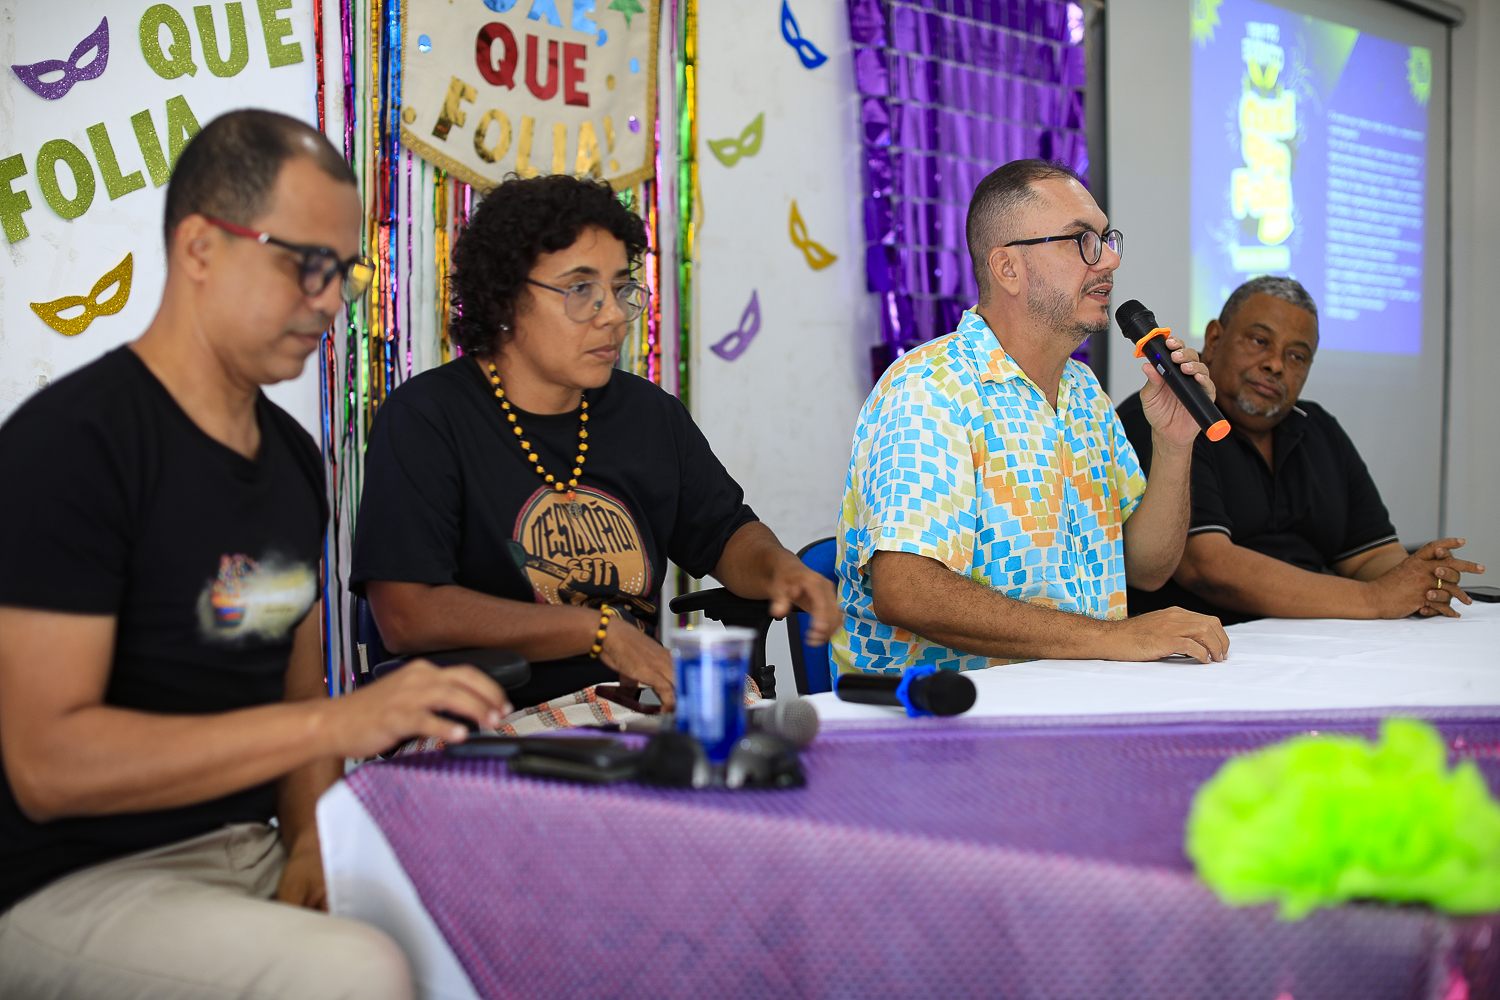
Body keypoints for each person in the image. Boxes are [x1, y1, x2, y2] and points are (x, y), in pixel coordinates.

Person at [0, 110, 512, 1000]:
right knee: (359, 972)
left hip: (252, 850)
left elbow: (296, 684)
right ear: (200, 247)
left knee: (494, 921)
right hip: (71, 881)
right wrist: (341, 729)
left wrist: (312, 836)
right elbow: (48, 768)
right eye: (304, 263)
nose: (328, 300)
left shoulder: (290, 460)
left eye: (344, 272)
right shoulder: (71, 445)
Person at [352, 174, 837, 711]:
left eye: (621, 289)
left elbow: (725, 535)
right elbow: (407, 616)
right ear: (504, 297)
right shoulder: (428, 419)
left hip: (639, 705)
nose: (612, 315)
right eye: (581, 289)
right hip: (488, 720)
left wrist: (780, 569)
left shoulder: (649, 415)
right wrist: (597, 632)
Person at [831, 159, 1231, 675]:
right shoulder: (930, 387)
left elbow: (1147, 569)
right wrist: (1111, 638)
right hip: (941, 724)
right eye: (1081, 240)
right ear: (1007, 268)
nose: (1108, 260)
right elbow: (908, 592)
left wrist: (1174, 445)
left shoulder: (1084, 393)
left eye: (1107, 239)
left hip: (1074, 700)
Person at [1118, 276, 1485, 623]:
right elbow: (1208, 567)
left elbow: (1369, 556)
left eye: (1296, 356)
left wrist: (1421, 578)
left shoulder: (1317, 427)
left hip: (1319, 635)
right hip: (1211, 649)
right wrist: (1373, 599)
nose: (1275, 365)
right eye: (1259, 341)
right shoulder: (1168, 415)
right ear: (1214, 338)